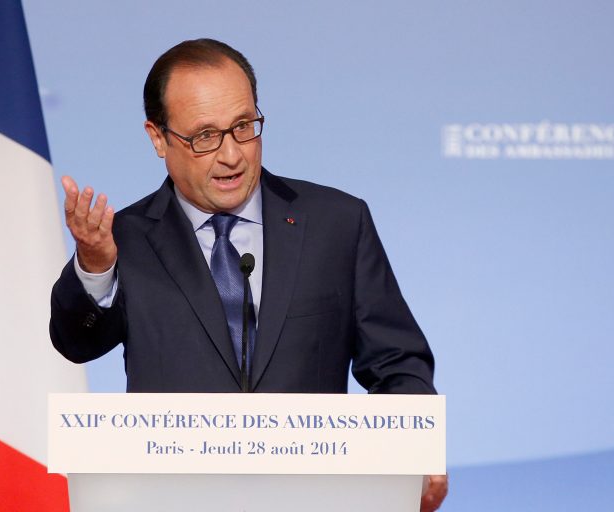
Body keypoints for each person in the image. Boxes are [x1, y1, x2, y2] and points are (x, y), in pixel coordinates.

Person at [49, 38, 447, 511]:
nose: (232, 155)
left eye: (243, 127)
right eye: (204, 136)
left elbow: (398, 363)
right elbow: (76, 343)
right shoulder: (128, 239)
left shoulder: (336, 223)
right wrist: (96, 265)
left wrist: (414, 448)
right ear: (158, 138)